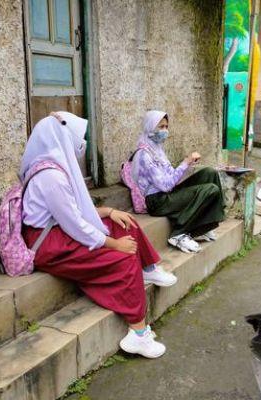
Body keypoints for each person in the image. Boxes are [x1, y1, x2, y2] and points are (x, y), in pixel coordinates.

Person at [21, 111, 177, 359]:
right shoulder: (51, 176)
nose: (81, 145)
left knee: (125, 222)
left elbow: (73, 213)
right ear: (62, 139)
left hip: (58, 231)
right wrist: (113, 244)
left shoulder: (54, 167)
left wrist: (110, 211)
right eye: (76, 138)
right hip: (49, 245)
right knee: (123, 259)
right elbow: (74, 224)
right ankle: (138, 333)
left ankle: (148, 269)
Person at [132, 110, 226, 254]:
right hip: (157, 201)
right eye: (161, 127)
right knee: (210, 189)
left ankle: (204, 225)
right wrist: (185, 162)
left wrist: (187, 165)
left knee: (209, 173)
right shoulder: (144, 155)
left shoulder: (157, 149)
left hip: (168, 193)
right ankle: (178, 233)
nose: (165, 130)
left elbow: (171, 176)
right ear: (150, 128)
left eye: (166, 127)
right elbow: (165, 185)